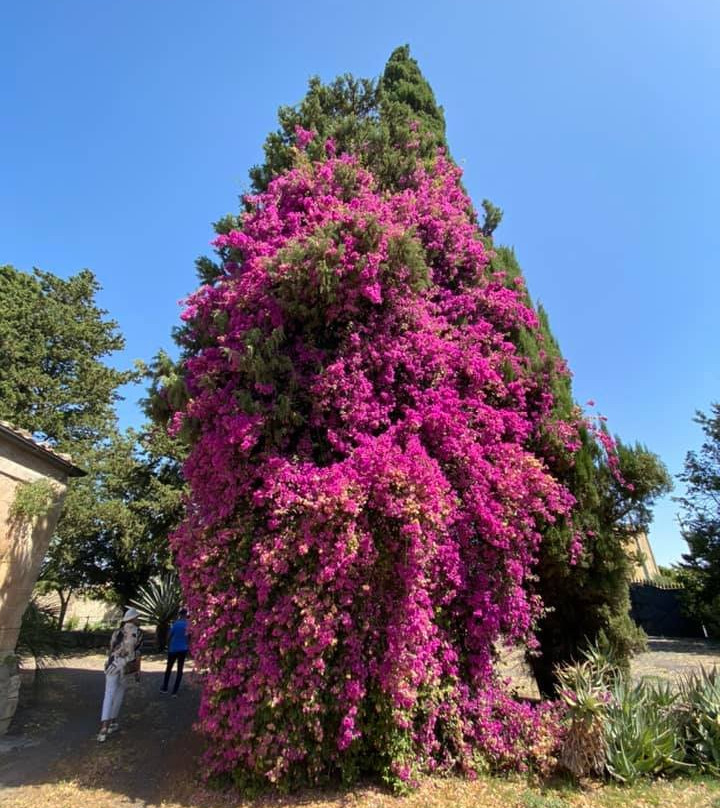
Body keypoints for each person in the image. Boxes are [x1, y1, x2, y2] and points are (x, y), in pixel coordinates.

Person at [97, 607, 143, 742]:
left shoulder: (117, 632)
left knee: (108, 694)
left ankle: (103, 728)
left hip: (112, 665)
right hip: (126, 666)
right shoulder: (138, 633)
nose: (138, 619)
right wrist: (137, 670)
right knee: (119, 694)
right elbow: (137, 654)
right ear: (133, 619)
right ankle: (112, 722)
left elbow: (111, 649)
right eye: (137, 617)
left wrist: (110, 661)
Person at [161, 607, 189, 696]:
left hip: (173, 649)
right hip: (183, 649)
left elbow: (169, 636)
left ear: (179, 614)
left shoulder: (175, 624)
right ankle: (174, 691)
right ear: (186, 615)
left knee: (169, 668)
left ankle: (165, 688)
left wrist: (167, 645)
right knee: (180, 670)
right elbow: (189, 637)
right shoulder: (188, 625)